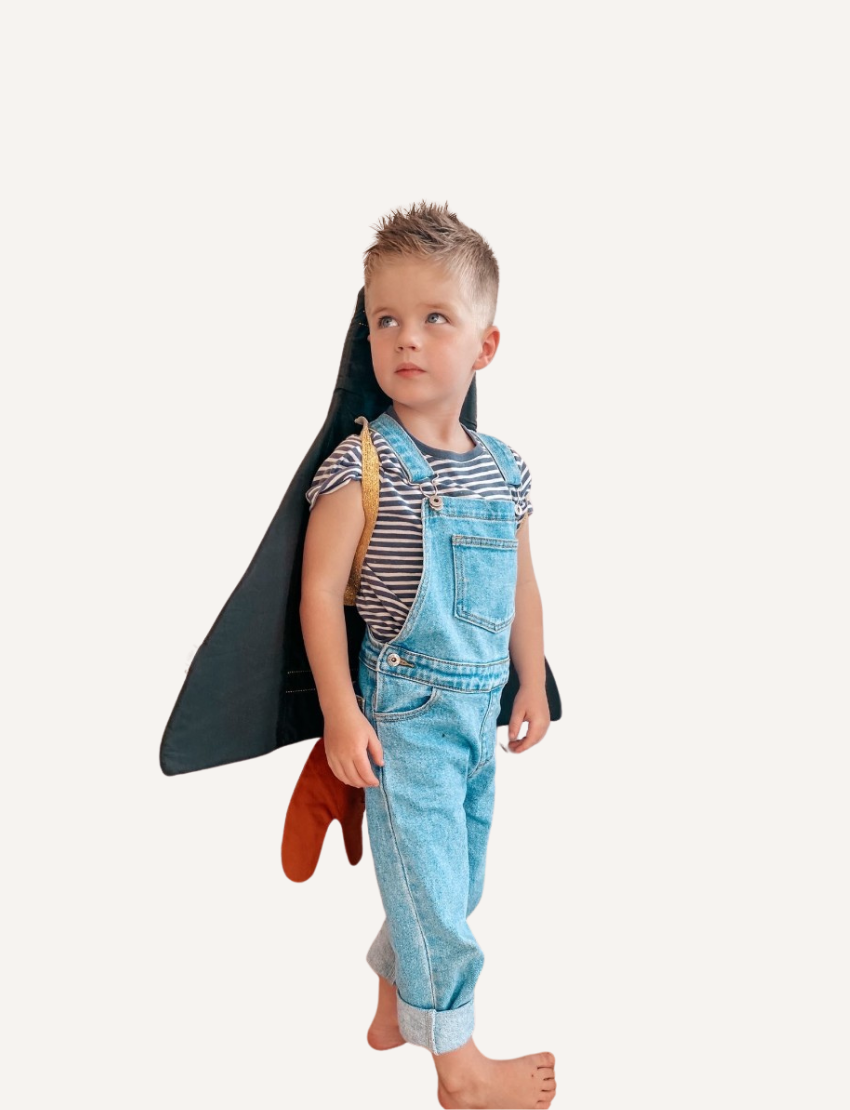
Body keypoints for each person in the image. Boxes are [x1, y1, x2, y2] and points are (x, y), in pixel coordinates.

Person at [300, 202, 557, 1110]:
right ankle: (459, 1066)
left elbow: (520, 586)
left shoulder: (503, 469)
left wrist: (532, 677)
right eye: (386, 319)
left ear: (485, 346)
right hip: (402, 720)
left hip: (474, 716)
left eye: (434, 318)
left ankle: (389, 998)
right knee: (437, 893)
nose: (406, 338)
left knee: (453, 875)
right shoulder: (363, 465)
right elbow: (319, 597)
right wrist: (339, 709)